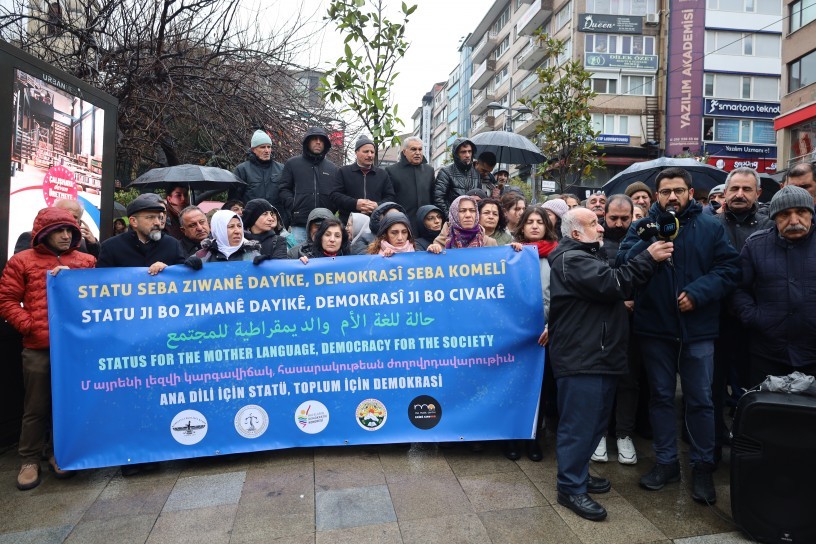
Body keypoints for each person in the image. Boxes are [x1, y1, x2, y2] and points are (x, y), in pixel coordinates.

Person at [617, 166, 740, 505]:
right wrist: (649, 248)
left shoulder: (711, 226)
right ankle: (666, 462)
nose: (673, 196)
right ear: (657, 195)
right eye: (666, 191)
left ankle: (702, 466)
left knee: (700, 399)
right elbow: (622, 264)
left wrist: (699, 292)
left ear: (690, 193)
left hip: (698, 330)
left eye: (679, 191)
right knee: (660, 398)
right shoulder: (644, 226)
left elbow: (729, 270)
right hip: (655, 329)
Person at [548, 208, 673, 521]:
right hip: (582, 358)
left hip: (598, 355)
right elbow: (616, 283)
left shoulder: (588, 254)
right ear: (575, 233)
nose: (601, 228)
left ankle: (578, 474)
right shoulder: (572, 259)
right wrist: (649, 257)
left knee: (594, 423)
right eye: (593, 224)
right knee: (579, 426)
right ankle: (570, 488)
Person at [0, 208, 97, 491]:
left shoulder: (86, 261)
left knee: (69, 403)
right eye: (59, 231)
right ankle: (29, 460)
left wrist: (73, 282)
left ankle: (60, 454)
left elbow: (96, 300)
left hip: (76, 349)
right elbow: (7, 300)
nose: (66, 236)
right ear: (44, 234)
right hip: (39, 348)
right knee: (36, 405)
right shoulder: (22, 262)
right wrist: (30, 326)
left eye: (70, 231)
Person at [712, 167, 771, 459]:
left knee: (751, 387)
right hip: (716, 319)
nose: (739, 194)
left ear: (758, 194)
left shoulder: (770, 226)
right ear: (725, 192)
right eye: (734, 188)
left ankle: (749, 445)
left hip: (754, 320)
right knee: (712, 386)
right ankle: (712, 444)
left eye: (747, 189)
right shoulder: (710, 224)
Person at [732, 185, 816, 384]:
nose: (794, 220)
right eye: (785, 214)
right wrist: (755, 317)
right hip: (768, 353)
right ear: (774, 218)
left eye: (801, 212)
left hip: (813, 352)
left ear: (811, 213)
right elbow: (738, 288)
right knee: (769, 412)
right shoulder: (755, 245)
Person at [505, 206, 558, 462]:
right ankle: (514, 439)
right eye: (530, 222)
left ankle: (535, 438)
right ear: (522, 227)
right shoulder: (511, 254)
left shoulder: (558, 255)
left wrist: (552, 326)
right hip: (517, 334)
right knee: (515, 386)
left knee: (541, 390)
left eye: (540, 222)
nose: (535, 226)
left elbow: (562, 295)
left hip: (546, 334)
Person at [278, 127, 339, 244]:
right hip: (300, 224)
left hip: (326, 225)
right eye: (314, 139)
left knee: (323, 260)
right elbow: (283, 189)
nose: (318, 142)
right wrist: (294, 206)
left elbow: (336, 193)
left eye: (322, 140)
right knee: (298, 258)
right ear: (307, 142)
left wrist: (331, 208)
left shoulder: (332, 168)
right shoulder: (292, 164)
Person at [97, 194, 186, 272]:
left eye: (159, 217)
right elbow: (102, 283)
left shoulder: (172, 245)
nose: (157, 223)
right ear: (134, 221)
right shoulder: (111, 247)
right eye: (150, 217)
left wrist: (169, 270)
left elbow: (182, 278)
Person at [330, 135, 395, 224]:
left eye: (372, 152)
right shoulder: (343, 172)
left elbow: (390, 197)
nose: (370, 155)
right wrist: (355, 204)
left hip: (375, 224)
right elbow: (335, 195)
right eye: (366, 151)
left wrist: (377, 205)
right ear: (356, 152)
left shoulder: (382, 174)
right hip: (348, 224)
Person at [230, 129, 284, 222]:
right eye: (262, 147)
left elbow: (287, 194)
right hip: (252, 221)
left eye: (269, 147)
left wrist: (286, 217)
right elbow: (234, 200)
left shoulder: (281, 169)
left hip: (277, 221)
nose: (267, 150)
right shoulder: (242, 170)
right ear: (253, 149)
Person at [14, 199, 99, 256]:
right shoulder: (30, 237)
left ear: (80, 221)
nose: (68, 219)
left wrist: (93, 245)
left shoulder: (84, 245)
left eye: (74, 217)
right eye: (64, 214)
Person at [386, 136, 435, 229]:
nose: (417, 153)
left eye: (420, 149)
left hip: (427, 224)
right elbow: (389, 198)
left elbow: (433, 197)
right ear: (404, 152)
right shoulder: (391, 171)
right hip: (402, 223)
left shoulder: (429, 170)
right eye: (413, 149)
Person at [428, 195, 497, 252]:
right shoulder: (440, 242)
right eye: (462, 211)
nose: (468, 215)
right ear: (454, 214)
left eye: (472, 211)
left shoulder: (490, 243)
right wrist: (433, 251)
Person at [433, 138, 480, 216]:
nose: (467, 155)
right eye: (463, 152)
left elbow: (479, 198)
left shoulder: (476, 173)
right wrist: (451, 217)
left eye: (469, 151)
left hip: (471, 220)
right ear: (456, 154)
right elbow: (438, 199)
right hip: (452, 221)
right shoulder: (446, 172)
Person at [194, 210, 261, 263]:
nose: (237, 231)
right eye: (231, 227)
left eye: (239, 226)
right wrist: (189, 268)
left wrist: (264, 266)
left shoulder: (253, 256)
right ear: (219, 230)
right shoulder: (201, 257)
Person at [601, 194, 634, 266]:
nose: (619, 224)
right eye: (613, 218)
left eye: (624, 219)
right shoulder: (592, 239)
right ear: (604, 215)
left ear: (632, 216)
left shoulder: (640, 239)